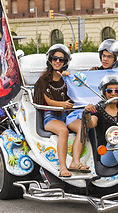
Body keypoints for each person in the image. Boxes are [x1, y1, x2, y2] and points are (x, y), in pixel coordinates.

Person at [34, 44, 89, 177]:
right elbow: (48, 101)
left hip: (68, 115)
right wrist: (62, 104)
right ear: (50, 60)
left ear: (65, 62)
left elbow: (79, 93)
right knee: (63, 130)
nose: (57, 61)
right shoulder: (43, 81)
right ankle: (63, 167)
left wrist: (70, 79)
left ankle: (75, 162)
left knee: (83, 126)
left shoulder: (68, 79)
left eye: (61, 59)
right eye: (55, 58)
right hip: (50, 116)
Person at [83, 74, 118, 185]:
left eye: (117, 90)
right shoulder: (98, 111)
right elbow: (91, 124)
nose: (113, 94)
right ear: (104, 92)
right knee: (115, 140)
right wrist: (87, 114)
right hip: (107, 155)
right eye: (109, 91)